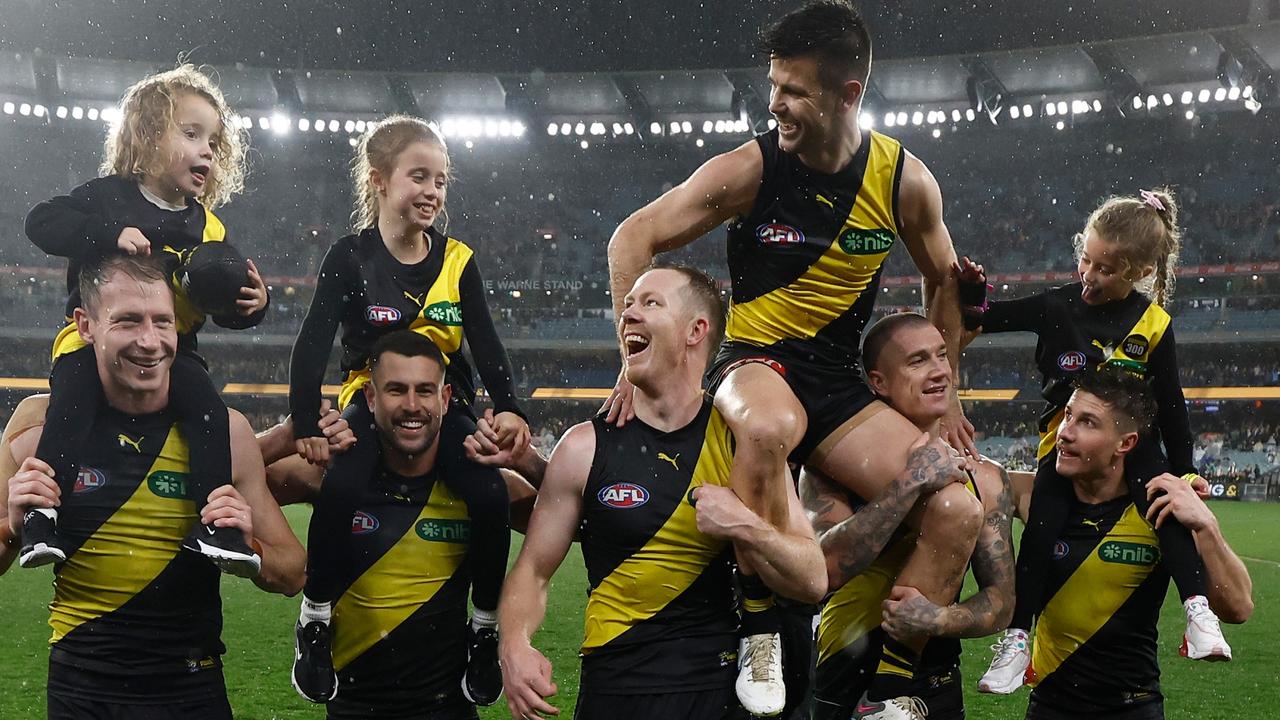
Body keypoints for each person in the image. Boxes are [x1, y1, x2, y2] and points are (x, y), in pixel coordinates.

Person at [604, 2, 980, 715]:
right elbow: (633, 238)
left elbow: (946, 280)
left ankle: (897, 686)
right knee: (770, 426)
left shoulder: (904, 181)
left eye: (794, 90)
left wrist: (950, 392)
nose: (775, 104)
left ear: (850, 95)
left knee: (958, 507)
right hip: (755, 363)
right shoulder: (751, 167)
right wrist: (632, 364)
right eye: (773, 85)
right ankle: (760, 632)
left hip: (838, 382)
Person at [487, 266, 832, 720]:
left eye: (650, 303)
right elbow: (532, 570)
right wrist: (514, 644)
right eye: (628, 304)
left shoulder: (740, 442)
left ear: (696, 331)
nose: (629, 313)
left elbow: (812, 579)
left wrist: (745, 526)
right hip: (615, 692)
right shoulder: (583, 447)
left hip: (721, 692)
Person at [0, 253, 305, 719]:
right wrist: (12, 528)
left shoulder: (227, 432)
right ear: (85, 325)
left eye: (162, 322)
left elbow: (293, 573)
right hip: (82, 690)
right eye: (128, 321)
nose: (150, 341)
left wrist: (253, 547)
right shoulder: (35, 428)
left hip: (192, 686)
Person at [287, 115, 527, 706]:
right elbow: (312, 344)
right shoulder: (350, 257)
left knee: (491, 495)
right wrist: (303, 422)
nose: (432, 192)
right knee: (343, 483)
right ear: (379, 181)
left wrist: (511, 408)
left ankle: (484, 626)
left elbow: (487, 344)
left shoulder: (458, 260)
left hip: (447, 406)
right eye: (419, 176)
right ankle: (316, 619)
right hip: (369, 403)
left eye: (441, 181)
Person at [962, 188, 1232, 694]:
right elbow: (985, 317)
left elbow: (1171, 404)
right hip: (1062, 447)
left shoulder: (1154, 324)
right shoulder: (1055, 306)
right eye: (1086, 259)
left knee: (1165, 502)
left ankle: (1198, 614)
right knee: (1041, 528)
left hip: (1134, 446)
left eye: (1106, 269)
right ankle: (1019, 642)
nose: (1089, 274)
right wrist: (973, 291)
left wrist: (1187, 468)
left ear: (1139, 273)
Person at [20, 64, 269, 575]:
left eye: (214, 142)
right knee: (72, 401)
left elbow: (219, 306)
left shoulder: (209, 225)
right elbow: (39, 223)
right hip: (92, 345)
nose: (206, 150)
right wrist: (111, 233)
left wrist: (250, 307)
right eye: (192, 133)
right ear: (149, 134)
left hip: (175, 350)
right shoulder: (105, 196)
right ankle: (43, 512)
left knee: (208, 412)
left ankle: (215, 520)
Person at [267, 330, 497, 719]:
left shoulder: (480, 489)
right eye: (396, 390)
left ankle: (485, 632)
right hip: (354, 709)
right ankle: (312, 627)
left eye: (425, 391)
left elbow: (576, 514)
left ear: (445, 399)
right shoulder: (328, 478)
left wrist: (527, 462)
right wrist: (285, 436)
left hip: (449, 710)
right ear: (370, 398)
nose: (411, 405)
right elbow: (231, 475)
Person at [801, 313, 1015, 720]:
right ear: (878, 382)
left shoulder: (986, 479)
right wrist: (910, 483)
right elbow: (825, 569)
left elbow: (1001, 604)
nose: (938, 372)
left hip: (933, 687)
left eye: (940, 356)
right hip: (845, 674)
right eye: (917, 362)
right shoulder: (831, 467)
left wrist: (939, 619)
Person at [1018, 368, 1252, 720]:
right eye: (1068, 416)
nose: (1065, 434)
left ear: (1125, 443)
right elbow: (981, 478)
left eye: (1087, 423)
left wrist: (1207, 525)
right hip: (1049, 706)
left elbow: (1238, 608)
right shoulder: (1035, 497)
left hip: (1133, 705)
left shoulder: (1161, 508)